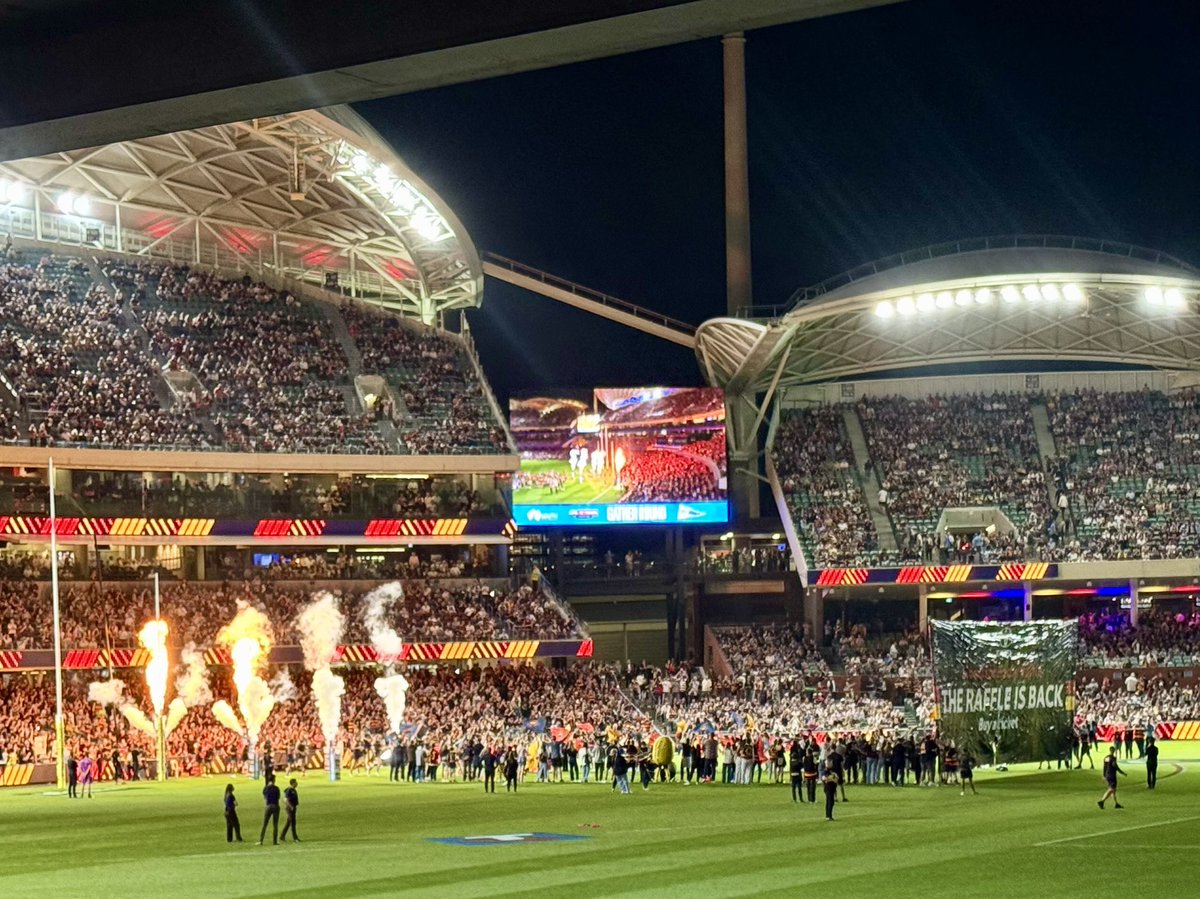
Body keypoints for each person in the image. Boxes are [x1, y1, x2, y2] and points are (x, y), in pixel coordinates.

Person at [259, 774, 281, 844]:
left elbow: (265, 797)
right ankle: (274, 841)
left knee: (265, 824)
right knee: (275, 824)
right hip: (275, 805)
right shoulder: (276, 788)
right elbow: (278, 797)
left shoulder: (265, 788)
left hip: (268, 806)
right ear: (274, 780)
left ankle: (261, 840)